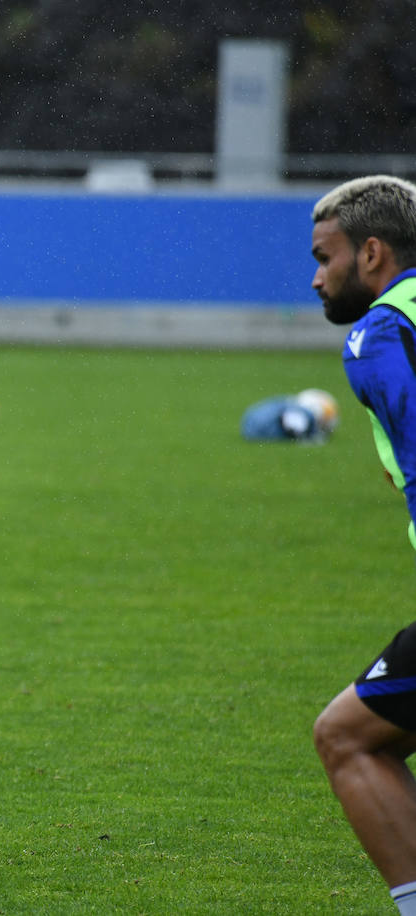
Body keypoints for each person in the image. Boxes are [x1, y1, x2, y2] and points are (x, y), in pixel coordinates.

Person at [311, 175, 416, 915]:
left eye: (325, 256)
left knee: (347, 737)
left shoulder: (379, 331)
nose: (317, 276)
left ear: (371, 252)